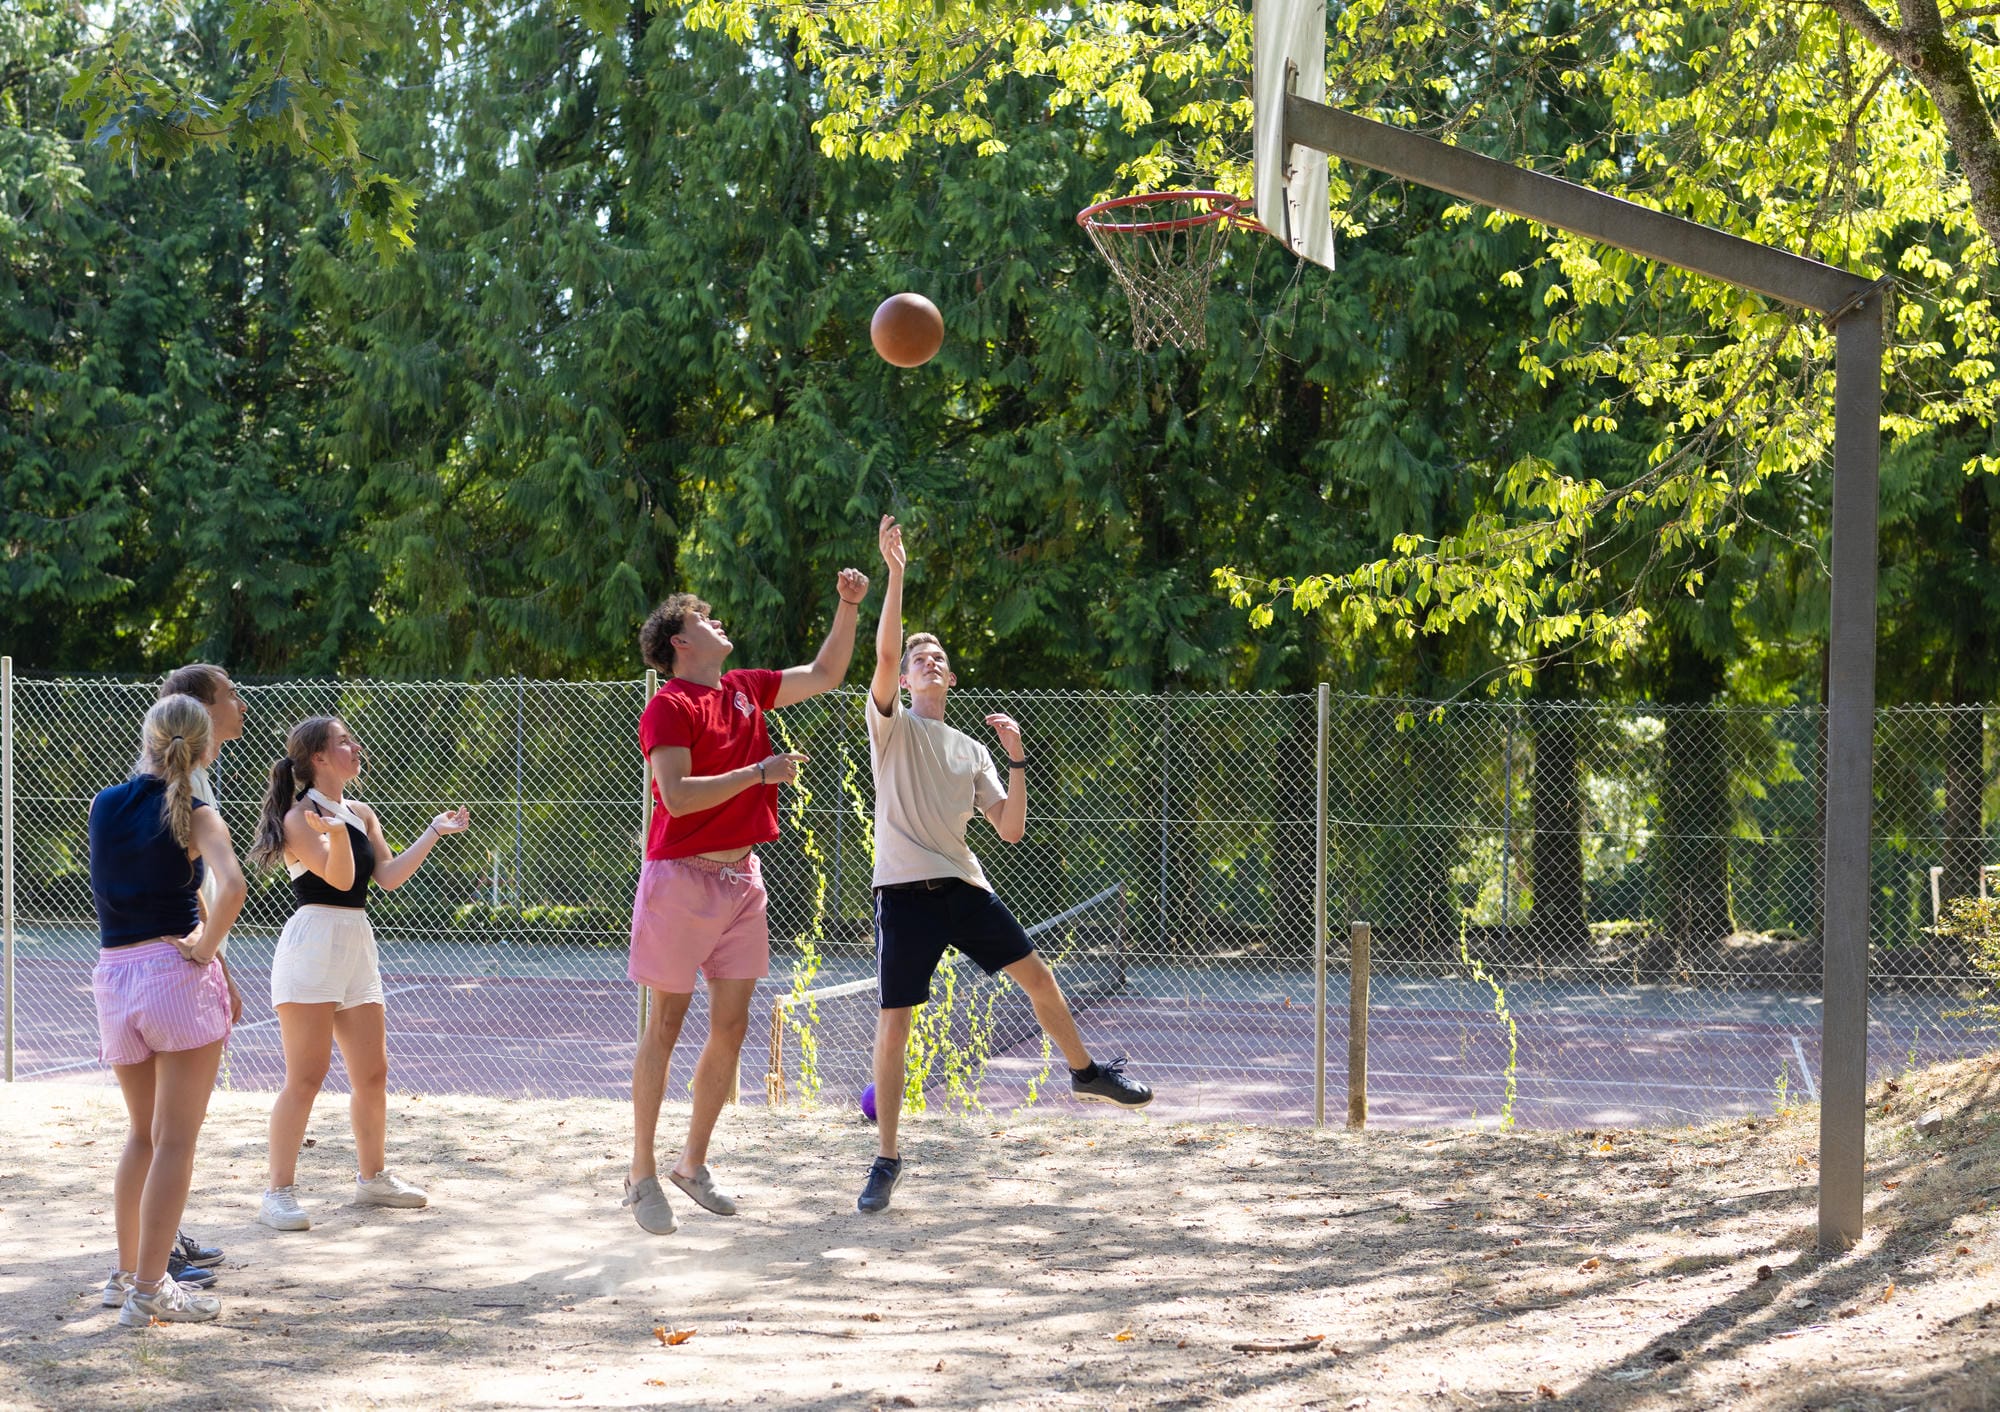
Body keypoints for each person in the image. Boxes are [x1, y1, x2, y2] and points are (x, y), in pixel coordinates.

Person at [858, 515, 1153, 1215]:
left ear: (950, 675)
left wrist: (1018, 756)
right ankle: (887, 1158)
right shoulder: (890, 725)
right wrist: (896, 575)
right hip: (903, 893)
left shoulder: (972, 750)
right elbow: (884, 651)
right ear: (901, 677)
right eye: (915, 657)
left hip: (962, 886)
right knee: (895, 1023)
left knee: (1039, 978)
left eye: (936, 656)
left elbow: (1011, 829)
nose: (926, 660)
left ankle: (1084, 1072)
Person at [623, 564, 870, 1235]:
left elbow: (824, 675)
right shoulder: (668, 705)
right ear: (680, 642)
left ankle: (691, 1165)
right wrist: (760, 773)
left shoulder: (742, 690)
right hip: (680, 878)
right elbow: (676, 796)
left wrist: (847, 604)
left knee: (731, 1028)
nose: (718, 620)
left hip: (742, 881)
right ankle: (642, 1173)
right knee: (666, 1027)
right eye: (704, 618)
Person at [248, 717, 469, 1231]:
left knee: (373, 1074)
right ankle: (277, 1192)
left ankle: (372, 1179)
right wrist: (336, 834)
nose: (356, 746)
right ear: (319, 758)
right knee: (306, 1077)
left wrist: (433, 832)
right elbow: (341, 877)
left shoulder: (361, 812)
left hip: (356, 946)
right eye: (343, 741)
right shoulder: (299, 817)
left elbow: (386, 878)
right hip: (312, 948)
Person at [89, 693, 248, 1325]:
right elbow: (232, 888)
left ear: (150, 737)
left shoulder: (104, 804)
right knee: (176, 1141)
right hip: (174, 978)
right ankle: (151, 1291)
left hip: (113, 976)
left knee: (142, 1136)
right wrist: (206, 949)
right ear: (203, 746)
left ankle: (125, 1272)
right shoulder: (199, 812)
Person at [153, 664, 249, 1286]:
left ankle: (162, 1240)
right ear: (203, 711)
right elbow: (202, 896)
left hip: (182, 961)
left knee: (167, 1129)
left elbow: (202, 894)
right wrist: (210, 955)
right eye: (231, 694)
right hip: (172, 968)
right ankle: (153, 1256)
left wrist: (222, 965)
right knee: (164, 1131)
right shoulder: (186, 787)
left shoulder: (196, 779)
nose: (241, 702)